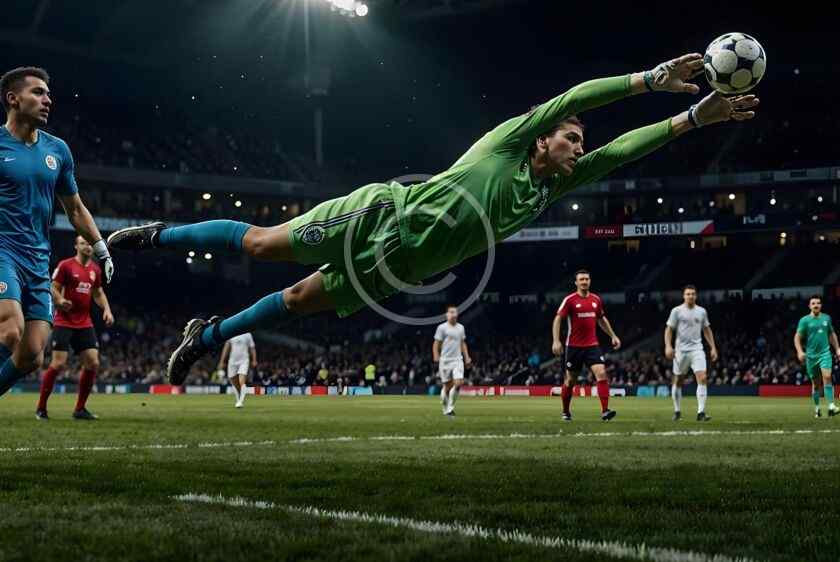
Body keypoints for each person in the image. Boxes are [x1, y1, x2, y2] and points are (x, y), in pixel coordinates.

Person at [106, 54, 758, 385]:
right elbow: (575, 96)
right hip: (380, 216)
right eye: (572, 137)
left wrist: (692, 119)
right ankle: (156, 235)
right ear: (543, 137)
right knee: (262, 244)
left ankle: (206, 336)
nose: (579, 146)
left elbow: (623, 150)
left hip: (400, 268)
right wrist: (649, 80)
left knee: (298, 301)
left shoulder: (555, 186)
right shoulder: (511, 141)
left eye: (581, 142)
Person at [0, 67, 114, 401]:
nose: (47, 100)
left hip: (37, 259)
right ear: (13, 99)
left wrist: (101, 247)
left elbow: (75, 209)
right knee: (10, 329)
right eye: (38, 92)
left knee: (31, 355)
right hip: (3, 251)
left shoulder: (58, 150)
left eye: (48, 93)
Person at [36, 236, 114, 420]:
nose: (87, 246)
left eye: (90, 244)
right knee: (58, 364)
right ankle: (41, 408)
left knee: (93, 363)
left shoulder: (95, 269)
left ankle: (80, 409)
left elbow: (98, 293)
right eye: (83, 243)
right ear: (76, 246)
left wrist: (107, 309)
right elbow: (53, 287)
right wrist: (60, 300)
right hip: (63, 321)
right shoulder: (66, 266)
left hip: (84, 322)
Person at [552, 270, 621, 421]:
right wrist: (556, 341)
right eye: (581, 279)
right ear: (576, 282)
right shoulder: (570, 300)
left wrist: (613, 335)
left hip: (592, 346)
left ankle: (605, 411)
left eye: (587, 279)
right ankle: (565, 411)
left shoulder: (596, 299)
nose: (584, 281)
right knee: (570, 381)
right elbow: (558, 319)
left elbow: (601, 319)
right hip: (574, 347)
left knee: (601, 373)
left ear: (590, 281)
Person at [664, 285, 718, 422]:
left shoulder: (701, 311)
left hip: (697, 349)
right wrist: (668, 346)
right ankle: (677, 411)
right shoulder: (676, 311)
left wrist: (713, 347)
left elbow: (707, 330)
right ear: (684, 296)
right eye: (688, 294)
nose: (690, 296)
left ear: (696, 296)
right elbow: (669, 330)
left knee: (703, 378)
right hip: (680, 351)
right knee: (678, 380)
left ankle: (701, 412)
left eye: (693, 294)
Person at [794, 295, 839, 418]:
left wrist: (837, 349)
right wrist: (799, 351)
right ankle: (817, 408)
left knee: (827, 376)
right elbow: (797, 337)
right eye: (813, 303)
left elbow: (832, 334)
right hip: (811, 356)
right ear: (809, 306)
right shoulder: (804, 320)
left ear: (821, 305)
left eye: (818, 303)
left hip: (825, 353)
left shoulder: (826, 318)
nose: (816, 305)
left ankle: (831, 406)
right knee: (816, 384)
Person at [433, 305, 471, 416]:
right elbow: (436, 343)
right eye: (451, 312)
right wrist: (436, 355)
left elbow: (462, 343)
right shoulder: (442, 328)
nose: (453, 314)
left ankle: (450, 407)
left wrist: (467, 357)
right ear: (447, 315)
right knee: (447, 387)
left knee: (458, 383)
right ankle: (445, 407)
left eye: (455, 312)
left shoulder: (461, 328)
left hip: (457, 360)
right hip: (445, 361)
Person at [218, 333, 257, 408]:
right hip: (232, 361)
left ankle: (240, 401)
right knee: (234, 381)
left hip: (244, 360)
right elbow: (226, 348)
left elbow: (252, 348)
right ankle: (239, 398)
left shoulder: (248, 334)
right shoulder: (231, 332)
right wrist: (222, 361)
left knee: (242, 381)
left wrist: (254, 360)